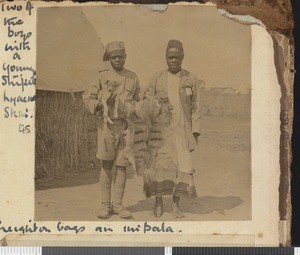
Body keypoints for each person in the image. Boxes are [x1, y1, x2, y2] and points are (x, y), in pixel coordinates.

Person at [144, 39, 204, 218]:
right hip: (161, 131)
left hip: (182, 131)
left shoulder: (190, 78)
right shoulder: (157, 77)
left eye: (177, 57)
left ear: (183, 57)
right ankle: (159, 202)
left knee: (183, 166)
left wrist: (195, 132)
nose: (174, 61)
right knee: (160, 167)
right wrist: (156, 101)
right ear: (165, 58)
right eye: (170, 57)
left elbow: (196, 107)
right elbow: (146, 100)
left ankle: (176, 204)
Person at [83, 41, 140, 219]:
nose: (117, 59)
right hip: (107, 126)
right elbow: (88, 98)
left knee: (122, 166)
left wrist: (133, 108)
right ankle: (105, 206)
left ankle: (118, 205)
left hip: (125, 126)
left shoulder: (132, 77)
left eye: (120, 56)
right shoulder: (101, 76)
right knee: (107, 165)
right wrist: (101, 104)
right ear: (109, 59)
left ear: (125, 57)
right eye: (114, 57)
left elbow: (137, 99)